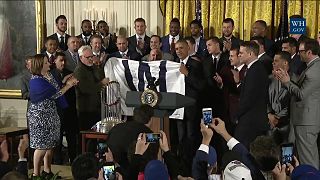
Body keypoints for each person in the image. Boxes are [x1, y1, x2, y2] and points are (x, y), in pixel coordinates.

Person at [27, 54, 78, 179]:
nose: (49, 64)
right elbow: (56, 94)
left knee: (50, 145)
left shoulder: (48, 76)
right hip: (40, 117)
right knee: (41, 146)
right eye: (45, 63)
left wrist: (65, 82)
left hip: (50, 115)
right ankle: (35, 174)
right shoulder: (36, 81)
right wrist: (69, 85)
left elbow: (56, 88)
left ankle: (47, 171)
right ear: (39, 66)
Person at [274, 38, 320, 169]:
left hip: (307, 121)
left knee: (308, 158)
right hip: (304, 120)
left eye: (301, 52)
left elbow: (301, 94)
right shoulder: (311, 67)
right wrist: (287, 80)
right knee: (305, 156)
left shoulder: (314, 70)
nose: (299, 54)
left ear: (309, 52)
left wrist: (286, 82)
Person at [235, 41, 269, 149]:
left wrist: (237, 114)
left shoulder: (256, 70)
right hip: (252, 120)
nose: (239, 55)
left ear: (250, 54)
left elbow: (249, 98)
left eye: (241, 53)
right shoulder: (254, 68)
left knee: (245, 153)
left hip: (251, 123)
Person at [74, 45, 109, 131]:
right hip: (86, 109)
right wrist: (102, 83)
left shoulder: (93, 67)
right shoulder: (79, 70)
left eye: (92, 56)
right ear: (81, 57)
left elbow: (101, 76)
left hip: (97, 108)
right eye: (88, 57)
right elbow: (85, 89)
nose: (90, 59)